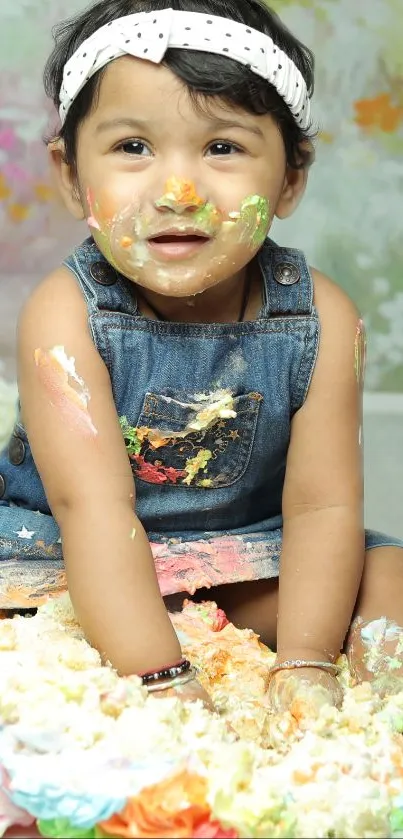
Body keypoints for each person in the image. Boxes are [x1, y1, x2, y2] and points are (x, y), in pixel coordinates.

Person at [1, 0, 403, 711]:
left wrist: (305, 660)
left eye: (222, 147)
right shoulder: (66, 316)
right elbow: (92, 508)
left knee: (389, 578)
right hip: (63, 567)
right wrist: (163, 677)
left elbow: (320, 506)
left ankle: (368, 724)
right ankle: (128, 667)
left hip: (236, 561)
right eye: (132, 148)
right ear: (69, 174)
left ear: (288, 179)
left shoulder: (320, 317)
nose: (177, 192)